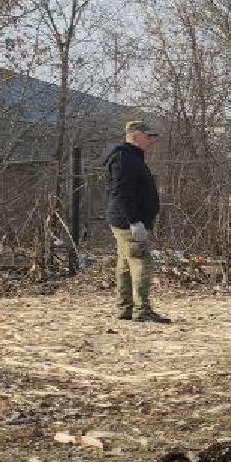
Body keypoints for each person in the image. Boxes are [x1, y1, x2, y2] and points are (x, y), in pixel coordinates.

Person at [103, 119, 169, 324]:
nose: (151, 140)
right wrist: (134, 221)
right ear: (135, 135)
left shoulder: (131, 157)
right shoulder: (125, 158)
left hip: (125, 219)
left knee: (124, 263)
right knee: (141, 261)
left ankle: (125, 308)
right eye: (148, 136)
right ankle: (142, 310)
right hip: (127, 221)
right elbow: (121, 193)